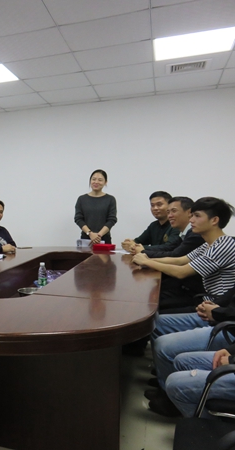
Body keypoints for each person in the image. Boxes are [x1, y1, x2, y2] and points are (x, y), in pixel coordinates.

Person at [131, 197, 235, 417]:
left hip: (218, 314)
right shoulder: (209, 243)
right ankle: (165, 384)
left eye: (197, 215)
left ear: (214, 220)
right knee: (156, 322)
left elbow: (181, 272)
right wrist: (146, 256)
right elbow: (180, 260)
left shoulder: (225, 244)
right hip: (211, 306)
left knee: (161, 333)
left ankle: (171, 396)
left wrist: (146, 261)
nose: (191, 219)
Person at [136, 197, 205, 313]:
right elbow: (176, 256)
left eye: (173, 211)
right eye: (168, 212)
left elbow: (177, 259)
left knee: (148, 304)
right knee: (145, 293)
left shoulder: (198, 236)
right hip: (184, 286)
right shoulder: (188, 234)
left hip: (195, 294)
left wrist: (145, 258)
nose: (170, 216)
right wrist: (143, 255)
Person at [74, 169, 117, 244]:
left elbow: (112, 220)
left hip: (104, 239)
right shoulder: (82, 199)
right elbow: (78, 219)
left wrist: (98, 235)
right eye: (93, 179)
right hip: (86, 239)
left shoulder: (110, 199)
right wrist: (90, 233)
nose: (96, 182)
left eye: (100, 180)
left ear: (105, 182)